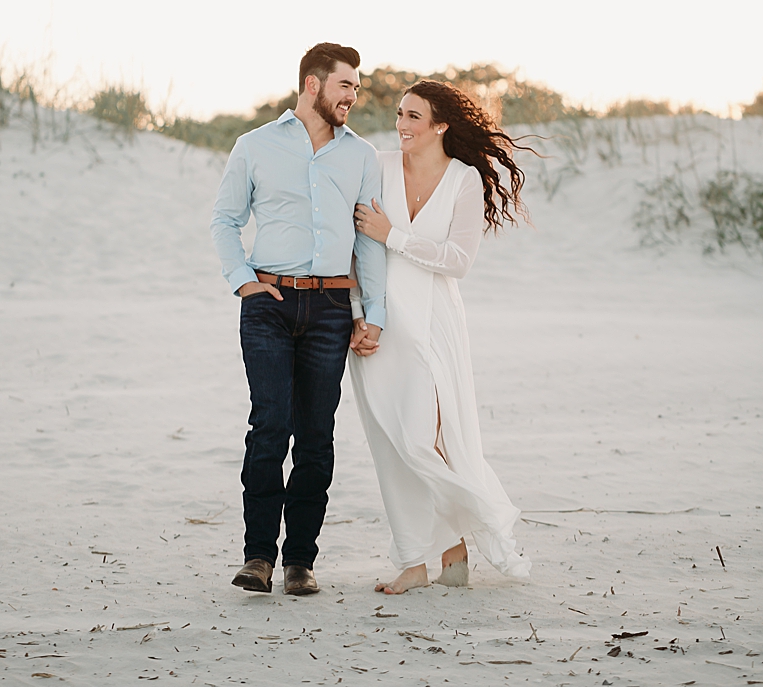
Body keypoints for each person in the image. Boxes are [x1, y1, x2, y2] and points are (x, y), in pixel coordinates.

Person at [210, 42, 388, 596]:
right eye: (346, 86)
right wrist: (243, 280)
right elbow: (224, 219)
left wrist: (372, 314)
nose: (353, 96)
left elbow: (369, 240)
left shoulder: (362, 156)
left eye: (356, 88)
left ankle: (300, 561)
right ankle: (258, 556)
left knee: (316, 436)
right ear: (313, 84)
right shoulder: (255, 145)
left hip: (333, 307)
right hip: (269, 303)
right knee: (269, 426)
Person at [349, 81, 533, 592]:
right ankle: (419, 559)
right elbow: (354, 251)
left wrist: (395, 237)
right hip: (378, 322)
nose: (402, 125)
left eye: (414, 116)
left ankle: (454, 544)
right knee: (392, 443)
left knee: (428, 438)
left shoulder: (463, 180)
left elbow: (459, 261)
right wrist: (358, 314)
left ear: (441, 125)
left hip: (434, 322)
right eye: (400, 114)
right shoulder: (378, 166)